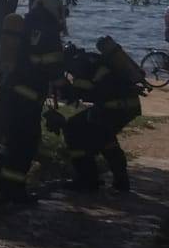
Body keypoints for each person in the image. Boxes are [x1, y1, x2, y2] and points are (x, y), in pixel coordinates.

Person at [0, 0, 68, 203]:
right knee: (26, 145)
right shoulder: (48, 31)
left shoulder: (26, 25)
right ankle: (13, 190)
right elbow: (55, 68)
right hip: (28, 98)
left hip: (10, 91)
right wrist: (67, 88)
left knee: (12, 139)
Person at [51, 37, 144, 193]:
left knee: (74, 129)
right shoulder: (90, 59)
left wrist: (62, 85)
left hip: (115, 108)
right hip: (124, 106)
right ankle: (119, 182)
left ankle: (88, 180)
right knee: (103, 138)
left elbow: (78, 93)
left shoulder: (79, 65)